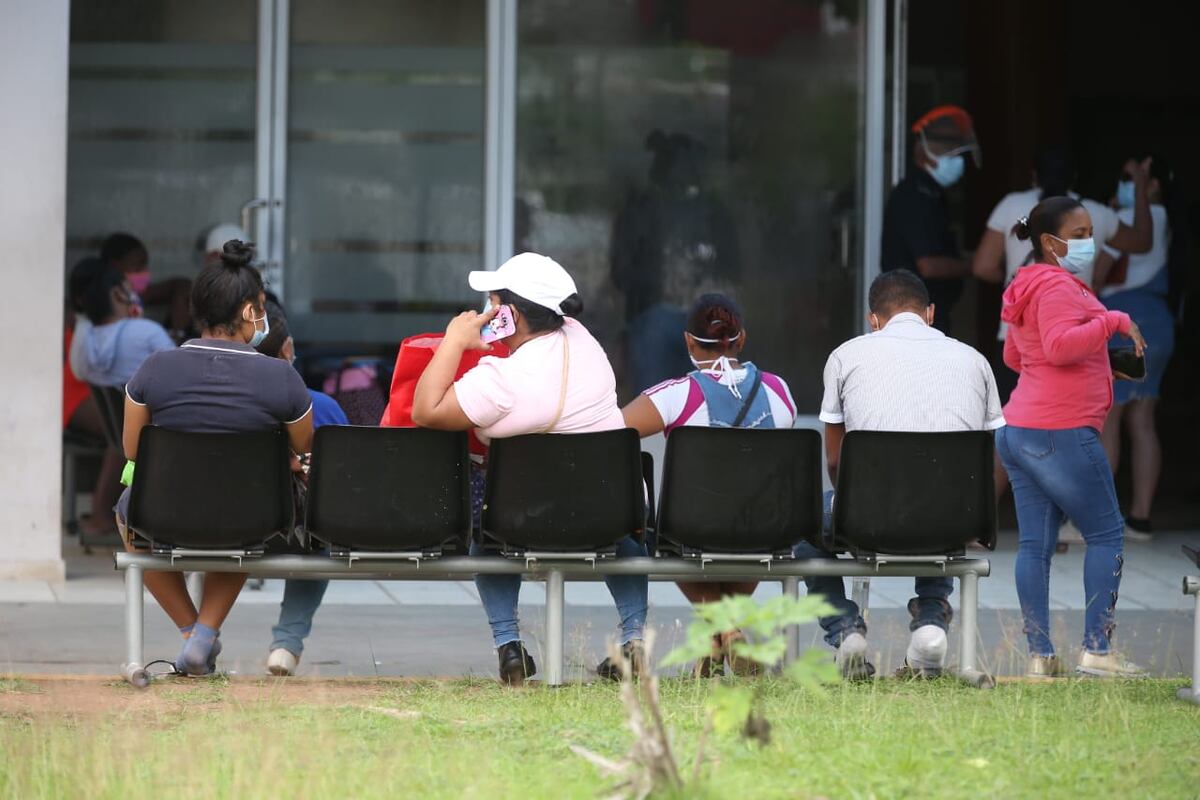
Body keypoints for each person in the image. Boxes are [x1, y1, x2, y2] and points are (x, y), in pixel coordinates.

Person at [412, 252, 648, 685]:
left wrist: (455, 340)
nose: (486, 311)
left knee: (485, 540)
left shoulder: (498, 381)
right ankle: (634, 638)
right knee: (629, 542)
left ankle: (509, 646)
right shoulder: (584, 340)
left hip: (519, 523)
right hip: (607, 516)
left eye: (492, 303)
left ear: (510, 314)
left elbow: (425, 410)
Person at [116, 240, 314, 676]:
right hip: (252, 518)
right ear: (248, 312)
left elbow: (134, 451)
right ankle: (202, 634)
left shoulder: (153, 369)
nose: (263, 318)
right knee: (250, 518)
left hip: (162, 513)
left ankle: (192, 632)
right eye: (260, 308)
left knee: (126, 516)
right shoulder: (282, 378)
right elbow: (305, 448)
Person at [810, 269, 1005, 679]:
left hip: (867, 516)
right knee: (944, 499)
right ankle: (932, 621)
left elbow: (833, 461)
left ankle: (845, 629)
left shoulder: (847, 355)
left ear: (873, 320)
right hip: (956, 518)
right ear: (930, 313)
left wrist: (849, 513)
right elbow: (990, 455)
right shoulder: (974, 359)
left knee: (804, 518)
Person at [996, 196, 1148, 678]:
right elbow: (1061, 347)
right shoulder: (1059, 288)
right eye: (1079, 234)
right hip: (1059, 432)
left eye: (1089, 231)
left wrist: (1099, 367)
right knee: (1106, 534)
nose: (1090, 241)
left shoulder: (1026, 285)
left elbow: (1018, 360)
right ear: (1049, 241)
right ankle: (1097, 650)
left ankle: (1041, 657)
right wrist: (1114, 321)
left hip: (1020, 427)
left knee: (1034, 548)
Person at [621, 293, 797, 676]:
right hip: (762, 529)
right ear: (742, 338)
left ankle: (721, 628)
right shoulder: (780, 392)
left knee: (666, 525)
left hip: (690, 529)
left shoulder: (676, 395)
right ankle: (723, 635)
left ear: (688, 341)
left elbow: (614, 431)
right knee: (744, 515)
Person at [972, 148, 1154, 400]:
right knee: (1071, 425)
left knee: (1013, 426)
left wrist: (1018, 281)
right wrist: (1141, 189)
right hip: (1075, 342)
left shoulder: (1012, 205)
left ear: (1034, 176)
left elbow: (983, 266)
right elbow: (1143, 242)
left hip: (1018, 341)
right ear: (1075, 178)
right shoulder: (1095, 213)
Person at [251, 299, 349, 676]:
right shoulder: (320, 405)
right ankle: (287, 643)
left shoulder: (225, 407)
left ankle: (203, 635)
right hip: (301, 536)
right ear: (287, 348)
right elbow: (340, 483)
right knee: (319, 530)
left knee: (226, 538)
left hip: (232, 528)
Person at [1095, 156, 1183, 541]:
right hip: (1157, 322)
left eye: (1134, 179)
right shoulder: (1161, 219)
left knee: (1110, 418)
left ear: (1152, 185)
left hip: (1129, 326)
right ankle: (1140, 517)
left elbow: (1099, 270)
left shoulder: (1149, 218)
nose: (1126, 184)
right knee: (1142, 420)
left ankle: (1098, 516)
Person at [611, 130, 739, 392]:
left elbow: (733, 270)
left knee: (682, 409)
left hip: (702, 324)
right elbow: (621, 273)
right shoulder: (642, 210)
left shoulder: (714, 213)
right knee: (688, 409)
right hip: (661, 321)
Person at [880, 106, 981, 333]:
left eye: (958, 152)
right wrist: (977, 266)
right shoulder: (916, 196)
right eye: (950, 152)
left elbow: (939, 250)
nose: (957, 159)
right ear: (924, 151)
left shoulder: (931, 193)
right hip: (911, 318)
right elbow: (930, 265)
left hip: (925, 313)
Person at [77, 266, 175, 388]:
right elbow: (179, 375)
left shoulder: (85, 340)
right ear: (118, 293)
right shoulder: (148, 332)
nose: (134, 294)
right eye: (130, 288)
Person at [100, 232, 192, 338]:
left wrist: (178, 329)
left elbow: (181, 285)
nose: (145, 272)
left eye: (145, 266)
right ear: (115, 266)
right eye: (138, 267)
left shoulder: (136, 296)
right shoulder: (101, 303)